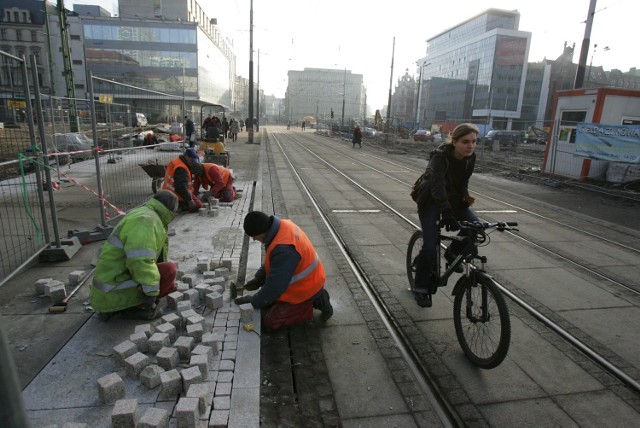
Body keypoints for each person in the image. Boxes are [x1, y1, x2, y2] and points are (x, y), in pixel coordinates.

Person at [412, 123, 479, 308]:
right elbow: (437, 185)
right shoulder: (440, 157)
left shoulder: (470, 158)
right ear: (454, 141)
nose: (470, 146)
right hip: (431, 200)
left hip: (453, 199)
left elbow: (463, 181)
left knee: (475, 228)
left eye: (474, 142)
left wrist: (465, 197)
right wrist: (447, 211)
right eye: (465, 142)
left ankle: (452, 253)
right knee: (430, 246)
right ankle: (421, 288)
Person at [234, 211, 334, 330]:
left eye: (254, 236)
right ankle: (317, 296)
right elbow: (274, 263)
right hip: (310, 279)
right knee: (268, 302)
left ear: (261, 232)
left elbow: (274, 288)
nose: (254, 240)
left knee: (271, 322)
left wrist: (253, 302)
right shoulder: (281, 227)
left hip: (306, 288)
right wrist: (259, 277)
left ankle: (310, 304)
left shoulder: (283, 249)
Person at [90, 191, 179, 320]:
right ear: (169, 211)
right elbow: (141, 260)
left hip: (110, 284)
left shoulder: (144, 213)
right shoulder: (147, 221)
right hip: (112, 291)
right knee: (169, 270)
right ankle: (136, 308)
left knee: (169, 284)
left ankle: (122, 306)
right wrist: (151, 291)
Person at [161, 148, 204, 212]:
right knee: (197, 205)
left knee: (198, 203)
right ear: (187, 157)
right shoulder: (181, 168)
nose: (192, 163)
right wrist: (189, 200)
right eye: (192, 161)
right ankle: (179, 208)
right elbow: (180, 187)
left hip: (168, 192)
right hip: (175, 196)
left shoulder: (176, 161)